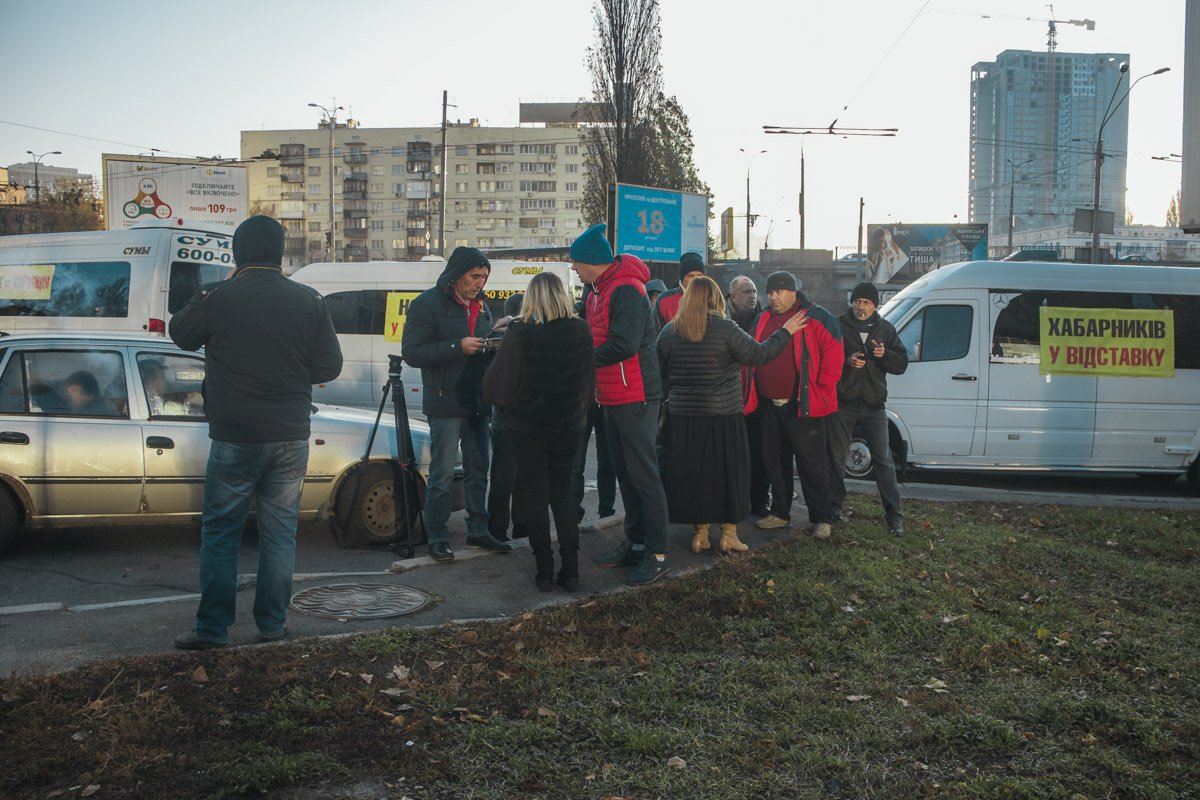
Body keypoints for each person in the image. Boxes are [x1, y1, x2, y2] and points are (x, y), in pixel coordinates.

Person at [169, 214, 343, 650]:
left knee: (222, 533)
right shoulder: (308, 300)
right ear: (281, 253)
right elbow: (329, 367)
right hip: (289, 436)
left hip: (235, 437)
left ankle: (212, 629)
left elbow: (180, 335)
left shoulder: (217, 296)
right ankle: (271, 627)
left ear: (237, 253)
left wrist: (217, 289)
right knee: (280, 534)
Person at [657, 276, 804, 555]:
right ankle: (728, 535)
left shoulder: (669, 331)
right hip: (723, 414)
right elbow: (760, 354)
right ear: (716, 299)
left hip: (683, 418)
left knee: (696, 476)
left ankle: (699, 535)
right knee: (728, 474)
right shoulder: (726, 329)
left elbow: (659, 370)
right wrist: (785, 331)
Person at [570, 223, 670, 585]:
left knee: (644, 475)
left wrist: (579, 358)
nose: (573, 268)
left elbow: (624, 345)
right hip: (612, 395)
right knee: (626, 474)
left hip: (637, 395)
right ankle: (636, 540)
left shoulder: (626, 290)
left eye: (575, 262)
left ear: (591, 261)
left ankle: (657, 553)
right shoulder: (596, 290)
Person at [483, 273, 594, 592]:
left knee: (534, 493)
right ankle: (571, 570)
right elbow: (589, 380)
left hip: (527, 427)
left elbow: (496, 386)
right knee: (562, 494)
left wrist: (506, 409)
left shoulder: (520, 332)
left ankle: (544, 570)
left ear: (532, 298)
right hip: (568, 425)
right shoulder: (581, 329)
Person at [402, 246, 512, 563]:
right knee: (442, 475)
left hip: (478, 401)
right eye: (475, 276)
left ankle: (478, 529)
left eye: (484, 277)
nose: (481, 283)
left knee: (480, 472)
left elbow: (480, 349)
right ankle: (437, 535)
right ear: (456, 274)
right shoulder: (427, 304)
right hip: (445, 402)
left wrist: (495, 338)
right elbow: (412, 352)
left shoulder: (481, 306)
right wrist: (456, 347)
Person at [748, 271, 843, 539]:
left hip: (804, 404)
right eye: (770, 292)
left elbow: (834, 355)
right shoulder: (762, 319)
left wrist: (821, 390)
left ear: (792, 292)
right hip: (769, 405)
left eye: (778, 291)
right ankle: (780, 512)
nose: (773, 297)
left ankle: (822, 518)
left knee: (811, 463)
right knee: (774, 462)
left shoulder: (817, 317)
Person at [827, 282, 908, 536]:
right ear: (852, 302)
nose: (861, 307)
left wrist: (884, 356)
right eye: (857, 301)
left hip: (875, 406)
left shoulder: (885, 329)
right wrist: (845, 361)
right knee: (836, 459)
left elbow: (901, 364)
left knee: (884, 460)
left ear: (875, 306)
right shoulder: (837, 325)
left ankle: (894, 516)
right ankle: (833, 510)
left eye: (867, 303)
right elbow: (822, 358)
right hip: (843, 403)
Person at [725, 275, 770, 516]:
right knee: (731, 454)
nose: (753, 296)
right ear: (733, 296)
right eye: (746, 292)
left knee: (759, 452)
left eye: (754, 291)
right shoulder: (722, 318)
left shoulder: (763, 320)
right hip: (728, 397)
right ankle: (734, 500)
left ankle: (759, 499)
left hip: (756, 397)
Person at [485, 293, 528, 542]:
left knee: (503, 478)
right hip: (523, 418)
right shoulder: (521, 334)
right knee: (522, 478)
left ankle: (497, 528)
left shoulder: (497, 335)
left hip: (504, 419)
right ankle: (521, 528)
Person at [653, 252, 707, 330]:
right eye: (690, 276)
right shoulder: (664, 300)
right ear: (682, 278)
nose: (696, 279)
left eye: (699, 275)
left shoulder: (714, 299)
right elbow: (654, 334)